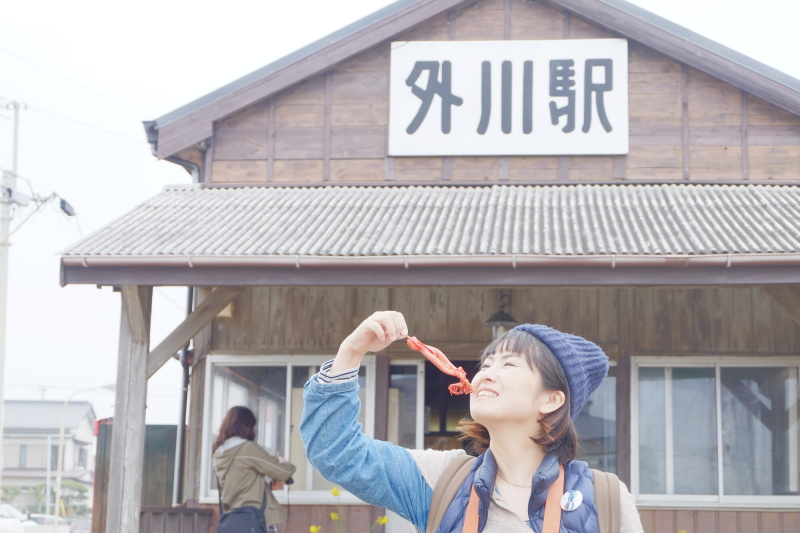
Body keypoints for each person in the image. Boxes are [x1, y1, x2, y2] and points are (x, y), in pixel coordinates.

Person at [301, 311, 644, 533]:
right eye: (487, 364)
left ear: (551, 399)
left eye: (508, 365)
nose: (486, 375)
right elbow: (338, 452)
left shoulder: (605, 497)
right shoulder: (442, 480)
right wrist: (350, 354)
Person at [213, 406, 297, 533]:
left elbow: (240, 481)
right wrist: (284, 462)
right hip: (258, 519)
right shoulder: (247, 448)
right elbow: (282, 472)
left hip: (234, 522)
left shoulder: (218, 453)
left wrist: (267, 485)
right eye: (251, 426)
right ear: (245, 427)